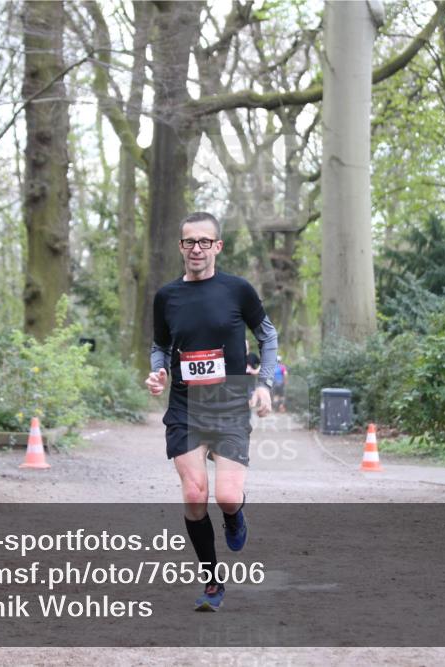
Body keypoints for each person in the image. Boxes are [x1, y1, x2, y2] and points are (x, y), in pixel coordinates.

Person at [145, 211, 278, 612]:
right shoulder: (166, 297)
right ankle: (212, 583)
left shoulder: (237, 290)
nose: (196, 248)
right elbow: (159, 346)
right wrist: (158, 372)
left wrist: (265, 384)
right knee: (193, 494)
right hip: (185, 405)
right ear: (181, 247)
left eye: (205, 241)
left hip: (230, 403)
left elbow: (267, 335)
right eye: (189, 242)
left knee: (225, 496)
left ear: (218, 246)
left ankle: (235, 515)